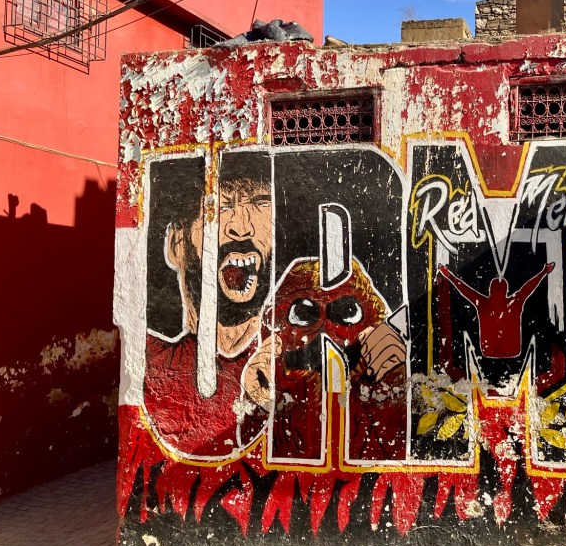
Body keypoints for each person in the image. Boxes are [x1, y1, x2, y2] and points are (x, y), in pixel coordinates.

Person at [144, 156, 404, 462]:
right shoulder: (152, 361)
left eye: (260, 202)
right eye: (220, 206)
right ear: (176, 244)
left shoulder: (301, 357)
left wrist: (389, 379)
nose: (241, 227)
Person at [438, 263, 555, 359]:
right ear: (506, 291)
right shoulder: (515, 302)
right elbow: (528, 287)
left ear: (490, 290)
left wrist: (449, 275)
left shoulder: (482, 303)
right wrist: (543, 272)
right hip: (511, 351)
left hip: (489, 351)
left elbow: (464, 289)